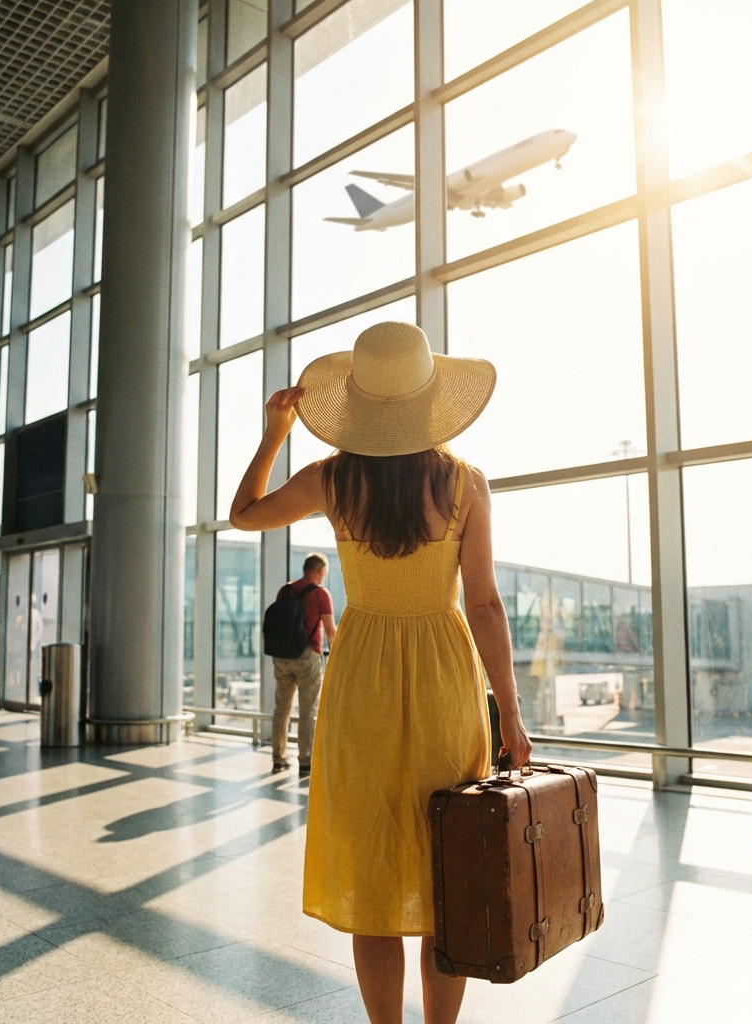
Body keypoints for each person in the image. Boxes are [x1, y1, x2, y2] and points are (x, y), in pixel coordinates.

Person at [231, 321, 532, 1024]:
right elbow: (484, 605)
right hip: (445, 678)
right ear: (431, 401)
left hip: (360, 674)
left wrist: (276, 432)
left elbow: (243, 514)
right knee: (445, 867)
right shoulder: (464, 484)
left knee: (374, 871)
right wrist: (510, 714)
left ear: (361, 405)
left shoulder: (331, 479)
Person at [271, 553, 336, 776]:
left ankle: (278, 758)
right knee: (308, 710)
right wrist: (336, 653)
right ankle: (305, 760)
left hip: (281, 656)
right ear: (318, 571)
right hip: (307, 656)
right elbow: (329, 630)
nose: (324, 577)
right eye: (324, 573)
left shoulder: (285, 590)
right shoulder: (320, 594)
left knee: (282, 708)